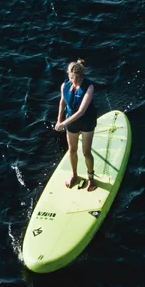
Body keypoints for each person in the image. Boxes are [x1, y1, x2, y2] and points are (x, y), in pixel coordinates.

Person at [53, 58, 98, 191]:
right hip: (71, 123)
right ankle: (74, 174)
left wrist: (63, 124)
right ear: (69, 76)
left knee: (86, 152)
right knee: (72, 150)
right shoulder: (64, 85)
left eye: (78, 79)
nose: (75, 82)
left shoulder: (89, 87)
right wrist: (58, 119)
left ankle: (91, 178)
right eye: (73, 79)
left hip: (86, 123)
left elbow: (81, 112)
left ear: (82, 76)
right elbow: (62, 102)